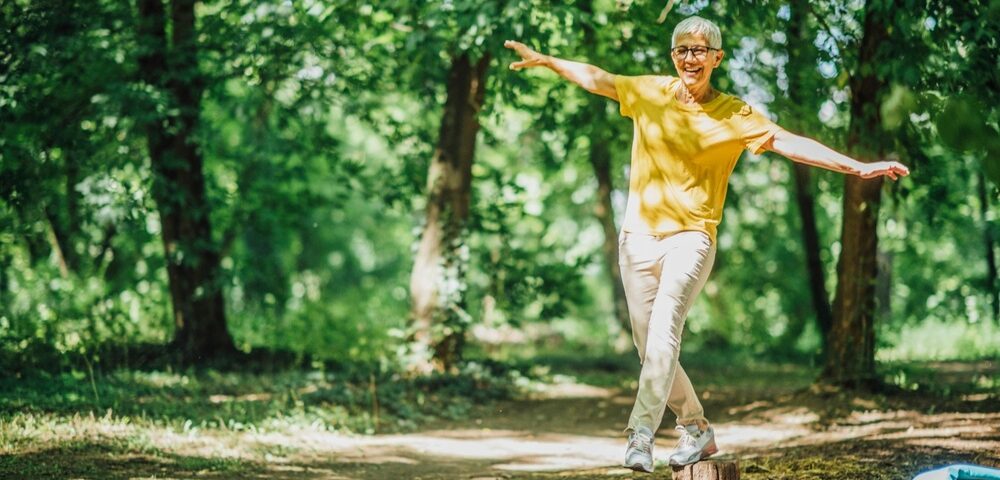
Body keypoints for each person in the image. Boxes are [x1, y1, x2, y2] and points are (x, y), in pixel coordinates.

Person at [504, 15, 909, 474]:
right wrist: (548, 61)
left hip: (691, 238)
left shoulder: (735, 114)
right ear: (672, 55)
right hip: (636, 238)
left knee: (664, 332)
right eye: (681, 50)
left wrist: (857, 168)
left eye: (698, 50)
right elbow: (598, 78)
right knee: (649, 346)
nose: (688, 58)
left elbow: (789, 141)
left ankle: (640, 434)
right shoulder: (649, 92)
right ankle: (696, 428)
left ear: (717, 57)